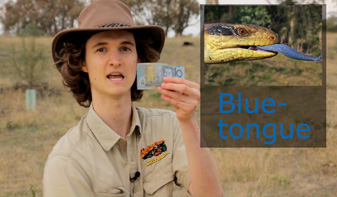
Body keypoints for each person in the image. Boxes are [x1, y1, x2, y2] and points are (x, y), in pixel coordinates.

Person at [43, 0, 223, 196]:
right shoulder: (67, 160)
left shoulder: (169, 126)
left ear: (138, 60)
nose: (116, 61)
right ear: (83, 62)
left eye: (125, 48)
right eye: (101, 49)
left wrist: (188, 121)